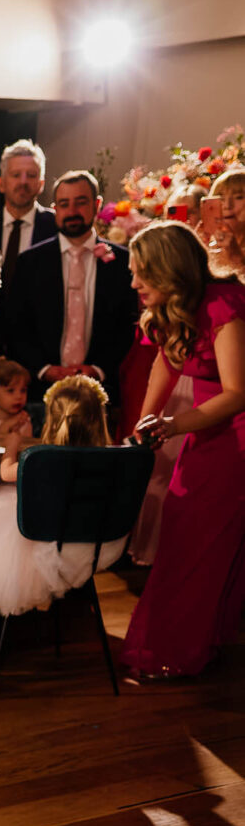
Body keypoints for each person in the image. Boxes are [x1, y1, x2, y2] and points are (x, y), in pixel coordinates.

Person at [120, 220, 245, 680]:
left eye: (142, 273)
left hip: (236, 436)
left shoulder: (222, 304)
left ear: (170, 270)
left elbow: (236, 393)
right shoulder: (172, 308)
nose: (134, 283)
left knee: (200, 543)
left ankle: (177, 652)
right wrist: (142, 424)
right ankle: (189, 644)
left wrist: (171, 425)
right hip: (207, 429)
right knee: (182, 535)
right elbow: (165, 362)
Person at [0, 375, 126, 616]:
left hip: (46, 542)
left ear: (54, 421)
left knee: (5, 496)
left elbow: (6, 473)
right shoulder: (112, 459)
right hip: (92, 543)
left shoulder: (44, 458)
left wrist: (12, 446)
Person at [0, 170, 137, 404]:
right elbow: (14, 325)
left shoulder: (124, 262)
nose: (72, 212)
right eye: (64, 204)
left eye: (81, 202)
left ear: (96, 205)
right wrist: (44, 369)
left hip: (102, 392)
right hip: (38, 392)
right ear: (55, 209)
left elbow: (127, 326)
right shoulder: (30, 262)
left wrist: (98, 369)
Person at [0, 139, 57, 350]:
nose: (23, 181)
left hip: (40, 345)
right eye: (15, 175)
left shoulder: (56, 227)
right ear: (1, 183)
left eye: (31, 175)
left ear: (41, 183)